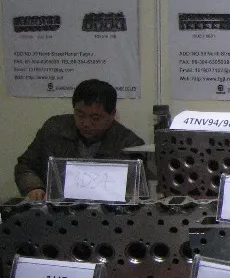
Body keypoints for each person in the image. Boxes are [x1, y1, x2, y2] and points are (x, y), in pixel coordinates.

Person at [14, 79, 143, 200]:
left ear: (112, 115)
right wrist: (34, 187)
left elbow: (137, 189)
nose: (86, 123)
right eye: (80, 115)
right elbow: (25, 166)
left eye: (95, 118)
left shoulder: (129, 144)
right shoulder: (54, 130)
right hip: (56, 209)